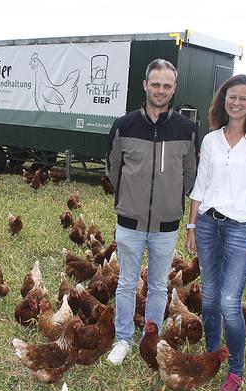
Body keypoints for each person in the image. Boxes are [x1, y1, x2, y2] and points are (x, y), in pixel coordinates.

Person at [185, 74, 246, 391]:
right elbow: (200, 186)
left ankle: (235, 370)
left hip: (242, 229)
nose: (236, 102)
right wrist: (192, 225)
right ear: (223, 101)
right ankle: (213, 355)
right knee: (208, 297)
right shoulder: (211, 140)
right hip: (209, 224)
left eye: (243, 97)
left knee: (227, 301)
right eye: (230, 97)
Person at [105, 59, 198, 365]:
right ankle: (122, 340)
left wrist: (171, 200)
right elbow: (113, 169)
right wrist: (130, 198)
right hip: (130, 223)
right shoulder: (124, 125)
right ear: (145, 86)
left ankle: (151, 339)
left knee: (158, 286)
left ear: (174, 89)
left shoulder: (187, 130)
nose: (160, 90)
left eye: (167, 85)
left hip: (166, 225)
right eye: (155, 84)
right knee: (126, 284)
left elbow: (190, 175)